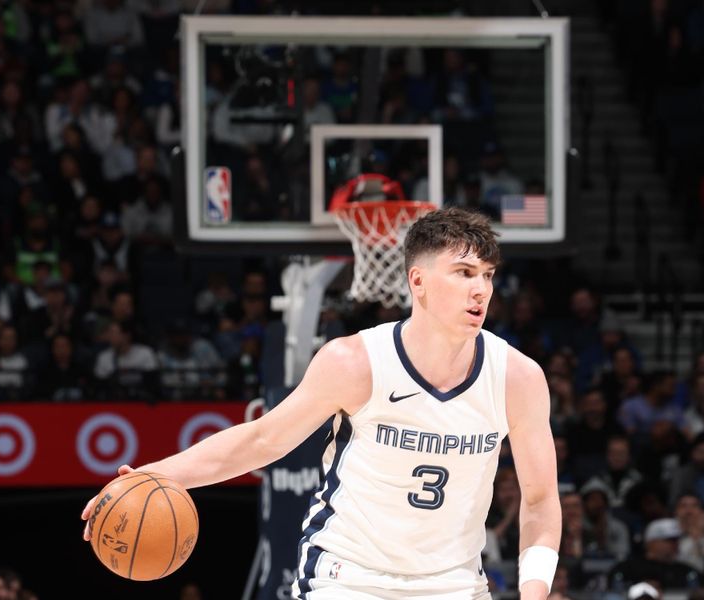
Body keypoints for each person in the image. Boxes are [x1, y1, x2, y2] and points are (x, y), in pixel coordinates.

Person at [82, 207, 562, 599]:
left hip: (455, 585)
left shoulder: (517, 379)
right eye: (463, 273)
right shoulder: (355, 362)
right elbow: (261, 440)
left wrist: (534, 593)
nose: (481, 289)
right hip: (347, 577)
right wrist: (154, 474)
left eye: (487, 275)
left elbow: (539, 502)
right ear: (418, 282)